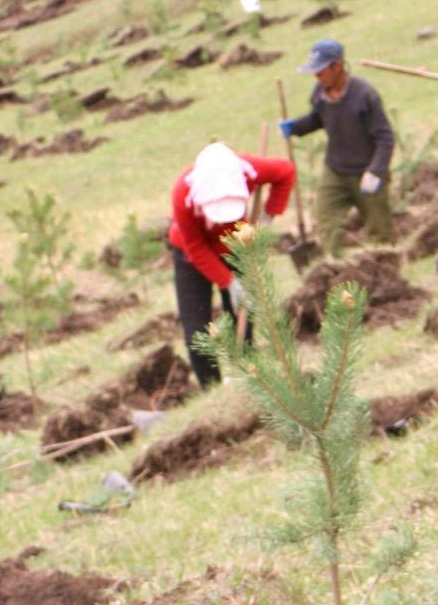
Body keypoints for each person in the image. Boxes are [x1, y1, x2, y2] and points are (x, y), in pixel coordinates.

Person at [167, 141, 295, 386]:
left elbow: (286, 171)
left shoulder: (246, 169)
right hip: (191, 256)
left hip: (236, 246)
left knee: (242, 315)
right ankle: (211, 389)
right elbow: (196, 249)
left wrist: (269, 214)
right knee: (196, 331)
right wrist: (228, 282)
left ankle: (248, 377)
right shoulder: (183, 193)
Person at [278, 39, 396, 256]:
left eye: (321, 71)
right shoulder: (320, 93)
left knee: (381, 232)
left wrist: (376, 171)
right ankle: (341, 269)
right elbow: (318, 118)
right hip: (336, 170)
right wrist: (295, 127)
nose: (317, 76)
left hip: (366, 172)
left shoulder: (364, 95)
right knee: (326, 221)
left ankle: (385, 274)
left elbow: (385, 137)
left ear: (337, 66)